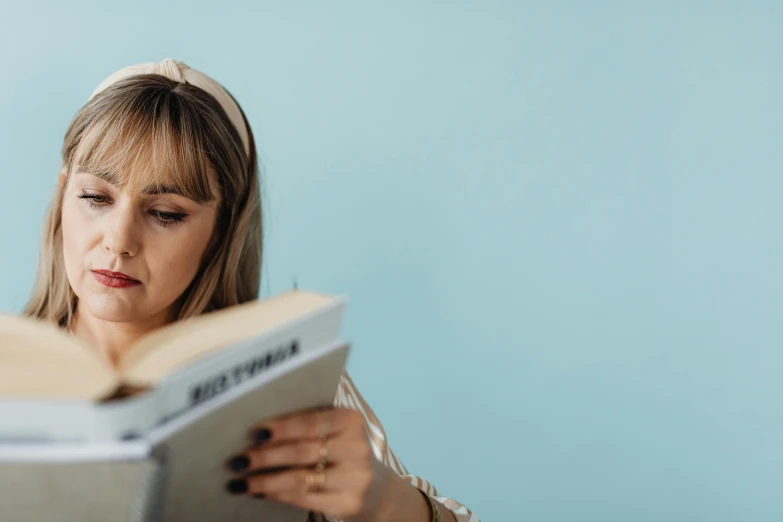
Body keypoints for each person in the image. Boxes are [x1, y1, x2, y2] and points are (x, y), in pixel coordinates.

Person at [23, 58, 479, 522]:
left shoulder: (295, 391)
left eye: (166, 213)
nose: (118, 241)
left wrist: (384, 501)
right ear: (63, 195)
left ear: (222, 231)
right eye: (96, 198)